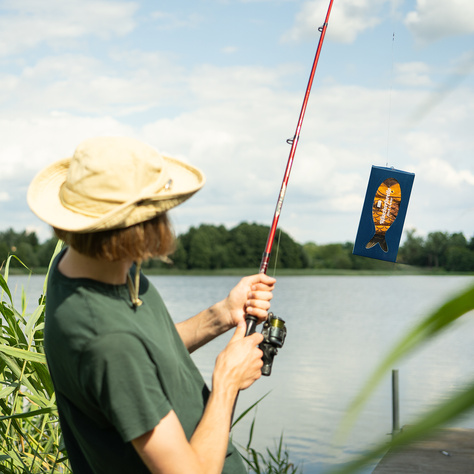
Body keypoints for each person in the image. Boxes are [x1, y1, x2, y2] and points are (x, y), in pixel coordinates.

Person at [27, 136, 276, 473]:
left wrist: (220, 316)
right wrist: (227, 382)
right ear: (138, 229)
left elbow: (146, 353)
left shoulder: (92, 267)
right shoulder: (107, 341)